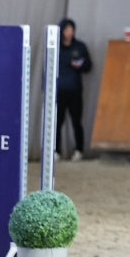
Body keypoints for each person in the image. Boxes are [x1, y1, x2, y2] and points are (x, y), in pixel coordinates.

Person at [56, 18, 92, 161]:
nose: (70, 32)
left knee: (76, 121)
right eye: (67, 29)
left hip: (75, 91)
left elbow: (89, 66)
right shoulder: (55, 48)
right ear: (62, 31)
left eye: (72, 29)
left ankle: (79, 150)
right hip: (59, 91)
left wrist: (80, 66)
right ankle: (56, 151)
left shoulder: (80, 47)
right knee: (57, 122)